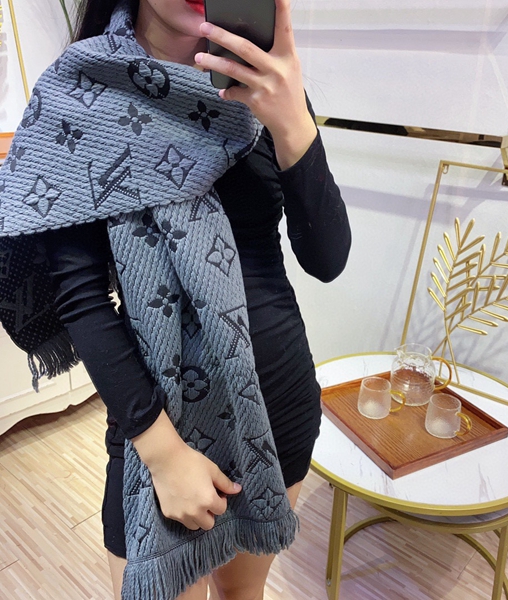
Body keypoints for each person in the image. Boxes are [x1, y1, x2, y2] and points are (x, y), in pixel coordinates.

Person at [0, 0, 350, 598]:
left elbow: (327, 259)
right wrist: (164, 457)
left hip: (278, 406)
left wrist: (293, 120)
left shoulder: (262, 81)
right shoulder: (81, 91)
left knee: (241, 594)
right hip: (157, 427)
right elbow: (80, 299)